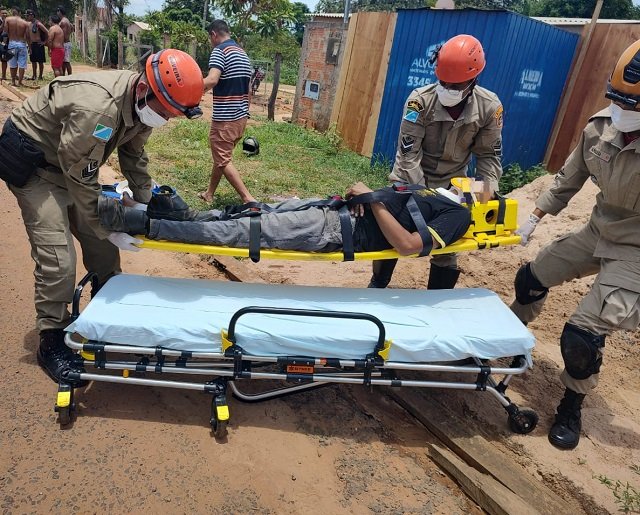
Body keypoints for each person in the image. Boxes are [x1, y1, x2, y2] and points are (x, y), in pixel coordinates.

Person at [0, 49, 204, 386]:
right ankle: (52, 337)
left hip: (73, 164)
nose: (165, 120)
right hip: (37, 167)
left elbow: (134, 155)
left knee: (103, 248)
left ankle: (107, 310)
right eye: (164, 112)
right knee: (59, 258)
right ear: (143, 89)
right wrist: (105, 225)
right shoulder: (98, 109)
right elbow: (80, 176)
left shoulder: (143, 106)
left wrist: (146, 203)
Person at [510, 40, 640, 450]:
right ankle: (508, 341)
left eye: (632, 104)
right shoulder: (601, 127)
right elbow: (569, 178)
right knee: (530, 279)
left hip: (636, 250)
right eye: (618, 99)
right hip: (598, 230)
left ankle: (571, 405)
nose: (621, 110)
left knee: (582, 335)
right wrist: (534, 218)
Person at [369, 34, 504, 291]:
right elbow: (408, 154)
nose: (448, 89)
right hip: (410, 178)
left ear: (473, 79)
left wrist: (485, 192)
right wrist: (425, 198)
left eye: (456, 85)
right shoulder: (419, 101)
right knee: (392, 234)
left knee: (448, 245)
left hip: (454, 183)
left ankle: (437, 299)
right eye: (443, 82)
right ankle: (378, 284)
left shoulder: (489, 107)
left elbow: (489, 156)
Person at [97, 182, 471, 258]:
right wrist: (363, 194)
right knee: (245, 212)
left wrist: (373, 202)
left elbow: (407, 246)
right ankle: (152, 210)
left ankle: (141, 224)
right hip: (330, 209)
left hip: (333, 229)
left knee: (242, 231)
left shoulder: (460, 213)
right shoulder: (432, 189)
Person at [199, 19, 255, 204]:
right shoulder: (242, 53)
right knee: (221, 156)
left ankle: (248, 199)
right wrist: (245, 112)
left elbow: (212, 80)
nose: (211, 42)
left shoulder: (220, 51)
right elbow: (249, 89)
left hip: (225, 119)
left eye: (210, 38)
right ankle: (209, 193)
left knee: (223, 159)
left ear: (214, 34)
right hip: (240, 118)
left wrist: (190, 89)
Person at [5, 5, 29, 87]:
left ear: (12, 12)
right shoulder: (25, 23)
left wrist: (4, 44)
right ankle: (20, 82)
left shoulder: (8, 20)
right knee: (22, 64)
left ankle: (13, 81)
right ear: (19, 13)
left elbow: (5, 33)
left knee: (12, 63)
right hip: (22, 44)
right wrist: (30, 47)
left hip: (12, 43)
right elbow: (27, 36)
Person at [25, 9, 47, 80]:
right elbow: (27, 37)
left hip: (39, 45)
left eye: (28, 15)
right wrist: (29, 47)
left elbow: (47, 32)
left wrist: (44, 42)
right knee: (33, 61)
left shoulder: (38, 24)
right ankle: (34, 75)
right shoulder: (28, 24)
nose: (27, 17)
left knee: (40, 61)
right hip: (32, 45)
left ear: (32, 15)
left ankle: (40, 76)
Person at [56, 5, 72, 75]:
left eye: (57, 11)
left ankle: (70, 76)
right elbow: (72, 28)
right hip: (66, 43)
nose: (57, 13)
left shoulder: (63, 22)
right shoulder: (67, 20)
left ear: (60, 12)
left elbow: (64, 35)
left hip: (65, 44)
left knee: (66, 62)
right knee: (64, 62)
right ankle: (64, 76)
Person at [0, 7, 8, 81]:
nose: (4, 14)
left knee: (4, 59)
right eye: (3, 13)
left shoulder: (8, 21)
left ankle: (4, 76)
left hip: (5, 43)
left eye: (6, 13)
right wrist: (3, 23)